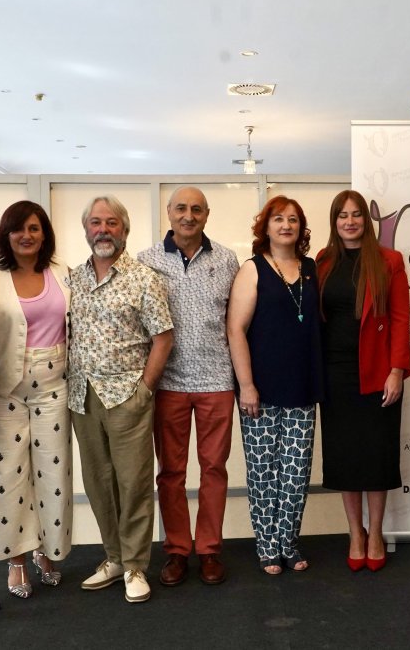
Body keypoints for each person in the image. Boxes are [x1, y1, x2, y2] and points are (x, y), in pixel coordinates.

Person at [67, 195, 174, 604]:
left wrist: (145, 388)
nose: (103, 230)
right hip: (82, 397)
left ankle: (134, 566)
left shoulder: (144, 278)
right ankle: (113, 557)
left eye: (112, 223)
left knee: (133, 484)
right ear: (86, 229)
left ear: (124, 230)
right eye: (96, 222)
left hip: (128, 395)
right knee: (98, 482)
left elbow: (163, 337)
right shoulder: (72, 279)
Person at [136, 186, 239, 586]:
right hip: (168, 383)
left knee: (214, 469)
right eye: (181, 208)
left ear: (207, 214)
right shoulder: (146, 261)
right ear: (169, 212)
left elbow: (238, 321)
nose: (188, 216)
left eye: (197, 209)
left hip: (217, 380)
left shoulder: (227, 260)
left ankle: (210, 550)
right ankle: (178, 551)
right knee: (171, 472)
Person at [0, 200, 72, 599]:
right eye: (19, 229)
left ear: (44, 233)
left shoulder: (64, 275)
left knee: (52, 473)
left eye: (34, 228)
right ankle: (16, 559)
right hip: (3, 390)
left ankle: (46, 552)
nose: (27, 236)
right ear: (6, 234)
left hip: (55, 385)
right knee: (6, 476)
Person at [315, 190, 410, 573]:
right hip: (335, 373)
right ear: (334, 221)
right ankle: (355, 533)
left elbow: (402, 318)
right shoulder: (322, 262)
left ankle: (376, 533)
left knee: (375, 455)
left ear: (365, 221)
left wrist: (396, 370)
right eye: (343, 215)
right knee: (345, 457)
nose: (350, 221)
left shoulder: (389, 261)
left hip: (377, 372)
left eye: (356, 214)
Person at [228, 195, 322, 575]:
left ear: (301, 228)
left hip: (303, 385)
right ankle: (267, 547)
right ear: (265, 227)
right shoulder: (252, 269)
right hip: (260, 390)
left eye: (293, 220)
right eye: (278, 219)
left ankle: (289, 542)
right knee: (263, 471)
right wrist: (246, 385)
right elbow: (235, 329)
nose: (286, 225)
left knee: (296, 472)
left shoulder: (312, 268)